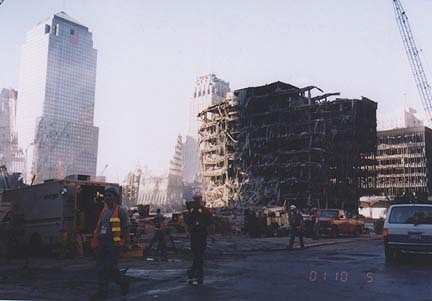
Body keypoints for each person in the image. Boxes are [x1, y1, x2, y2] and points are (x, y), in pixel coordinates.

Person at [90, 187, 129, 300]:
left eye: (110, 196)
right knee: (102, 268)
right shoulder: (104, 211)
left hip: (114, 245)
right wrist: (96, 243)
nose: (107, 198)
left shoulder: (121, 211)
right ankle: (117, 285)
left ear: (115, 197)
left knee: (107, 267)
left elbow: (126, 228)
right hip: (103, 243)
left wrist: (126, 244)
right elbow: (100, 227)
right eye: (106, 196)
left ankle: (105, 291)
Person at [184, 193, 213, 285]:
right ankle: (196, 273)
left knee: (198, 255)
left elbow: (209, 221)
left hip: (200, 235)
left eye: (197, 200)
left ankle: (193, 272)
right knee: (198, 255)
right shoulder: (194, 211)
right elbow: (187, 221)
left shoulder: (203, 211)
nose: (196, 202)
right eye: (196, 200)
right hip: (196, 235)